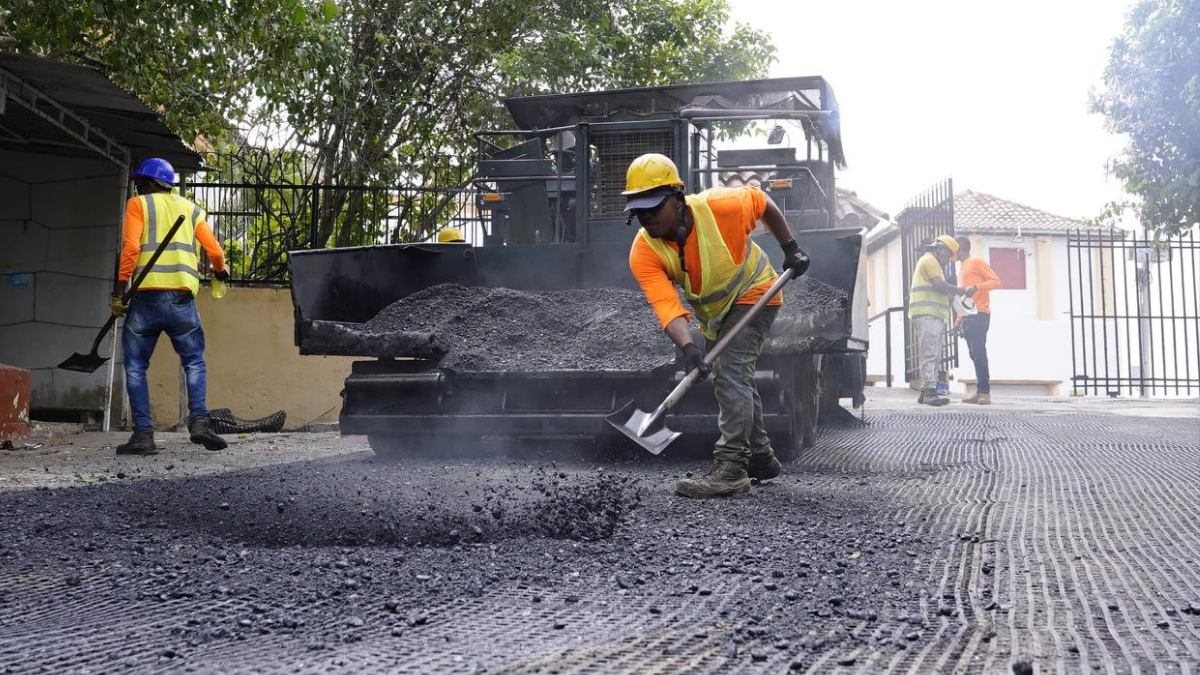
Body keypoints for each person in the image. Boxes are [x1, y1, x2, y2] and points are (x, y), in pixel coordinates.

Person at [624, 153, 809, 498]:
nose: (646, 217)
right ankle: (760, 457)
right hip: (715, 315)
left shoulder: (722, 206)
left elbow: (763, 200)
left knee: (731, 369)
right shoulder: (643, 252)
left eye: (653, 207)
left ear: (677, 199)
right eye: (638, 210)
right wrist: (689, 348)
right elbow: (666, 305)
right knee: (735, 376)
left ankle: (731, 470)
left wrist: (791, 247)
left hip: (756, 291)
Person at [109, 158, 229, 455]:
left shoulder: (138, 204)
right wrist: (219, 269)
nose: (136, 184)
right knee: (194, 361)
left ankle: (143, 436)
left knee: (135, 366)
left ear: (151, 183)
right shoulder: (190, 209)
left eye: (140, 180)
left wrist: (118, 292)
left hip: (146, 299)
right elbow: (214, 249)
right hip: (180, 300)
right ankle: (200, 420)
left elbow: (132, 249)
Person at [907, 235, 969, 407]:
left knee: (934, 355)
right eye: (949, 255)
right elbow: (939, 285)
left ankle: (926, 391)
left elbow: (940, 289)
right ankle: (929, 392)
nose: (948, 260)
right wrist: (958, 290)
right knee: (930, 353)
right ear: (941, 249)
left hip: (932, 314)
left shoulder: (933, 263)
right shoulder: (930, 260)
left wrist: (953, 298)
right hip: (927, 314)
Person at [955, 235, 1001, 404]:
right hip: (968, 315)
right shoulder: (962, 267)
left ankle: (985, 393)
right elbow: (964, 298)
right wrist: (959, 319)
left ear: (960, 247)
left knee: (979, 353)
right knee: (974, 354)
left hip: (980, 313)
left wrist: (976, 287)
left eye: (953, 247)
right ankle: (980, 390)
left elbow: (996, 282)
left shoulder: (976, 262)